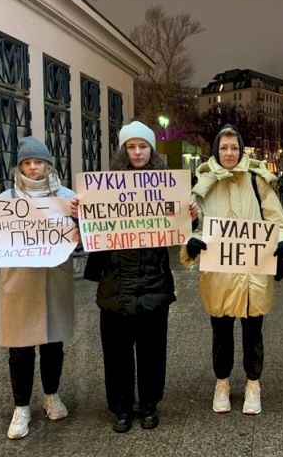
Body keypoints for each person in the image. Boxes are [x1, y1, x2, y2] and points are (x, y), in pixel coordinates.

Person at [71, 121, 198, 433]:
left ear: (151, 150)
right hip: (115, 284)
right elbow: (87, 236)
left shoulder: (168, 187)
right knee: (117, 354)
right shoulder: (102, 190)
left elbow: (180, 233)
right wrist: (79, 215)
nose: (138, 152)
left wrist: (192, 216)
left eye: (143, 146)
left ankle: (150, 404)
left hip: (154, 283)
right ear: (123, 150)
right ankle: (121, 408)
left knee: (152, 352)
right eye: (131, 146)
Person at [0, 136, 77, 439]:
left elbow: (85, 233)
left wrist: (79, 220)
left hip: (53, 277)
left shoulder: (66, 197)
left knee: (53, 341)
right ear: (19, 167)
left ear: (48, 164)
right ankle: (21, 406)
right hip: (18, 280)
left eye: (39, 162)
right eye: (28, 163)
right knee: (20, 346)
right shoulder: (6, 199)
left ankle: (51, 395)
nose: (34, 168)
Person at [181, 124, 283, 415]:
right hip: (218, 275)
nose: (229, 153)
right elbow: (192, 225)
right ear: (216, 151)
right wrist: (190, 243)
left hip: (252, 275)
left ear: (241, 150)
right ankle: (221, 382)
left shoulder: (258, 181)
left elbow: (279, 221)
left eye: (234, 147)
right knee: (220, 333)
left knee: (253, 332)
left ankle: (253, 383)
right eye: (224, 148)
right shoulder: (203, 185)